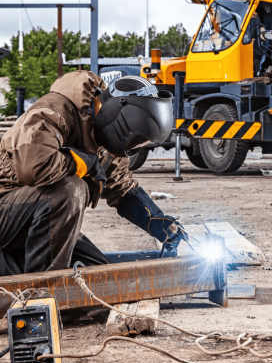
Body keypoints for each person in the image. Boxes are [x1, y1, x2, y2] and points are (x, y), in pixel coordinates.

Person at [0, 71, 186, 276]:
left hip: (29, 225)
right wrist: (82, 163)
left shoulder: (101, 134)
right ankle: (38, 293)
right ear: (119, 114)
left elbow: (121, 187)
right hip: (5, 214)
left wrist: (156, 221)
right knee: (71, 190)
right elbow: (34, 167)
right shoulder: (53, 111)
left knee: (100, 277)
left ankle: (19, 269)